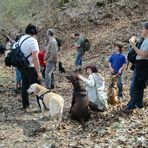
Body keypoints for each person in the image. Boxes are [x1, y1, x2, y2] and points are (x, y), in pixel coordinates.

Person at [124, 22, 148, 111]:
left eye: (143, 28)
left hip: (142, 65)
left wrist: (133, 46)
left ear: (147, 30)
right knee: (139, 86)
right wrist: (133, 40)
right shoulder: (144, 40)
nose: (141, 30)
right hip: (141, 64)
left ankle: (132, 105)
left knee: (134, 86)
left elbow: (143, 54)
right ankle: (138, 104)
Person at [19, 24, 42, 110]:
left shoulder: (22, 38)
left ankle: (25, 105)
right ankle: (42, 106)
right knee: (38, 87)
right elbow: (35, 58)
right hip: (31, 67)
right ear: (33, 31)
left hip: (22, 66)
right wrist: (39, 72)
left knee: (24, 85)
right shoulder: (32, 41)